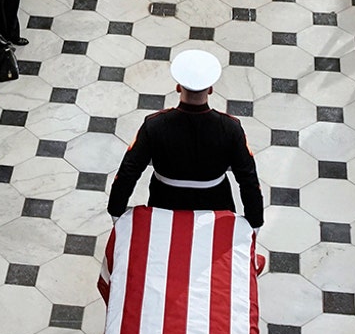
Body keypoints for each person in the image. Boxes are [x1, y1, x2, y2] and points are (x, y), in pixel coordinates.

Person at [106, 51, 266, 229]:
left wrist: (116, 210)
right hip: (215, 203)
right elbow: (248, 179)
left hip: (165, 201)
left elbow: (129, 172)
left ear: (177, 87)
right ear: (211, 89)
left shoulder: (155, 125)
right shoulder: (230, 128)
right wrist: (255, 222)